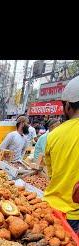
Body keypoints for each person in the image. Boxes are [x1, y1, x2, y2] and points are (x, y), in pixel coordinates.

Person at [43, 75, 79, 233]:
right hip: (75, 215)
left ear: (68, 106)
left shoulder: (53, 135)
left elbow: (51, 175)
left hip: (51, 209)